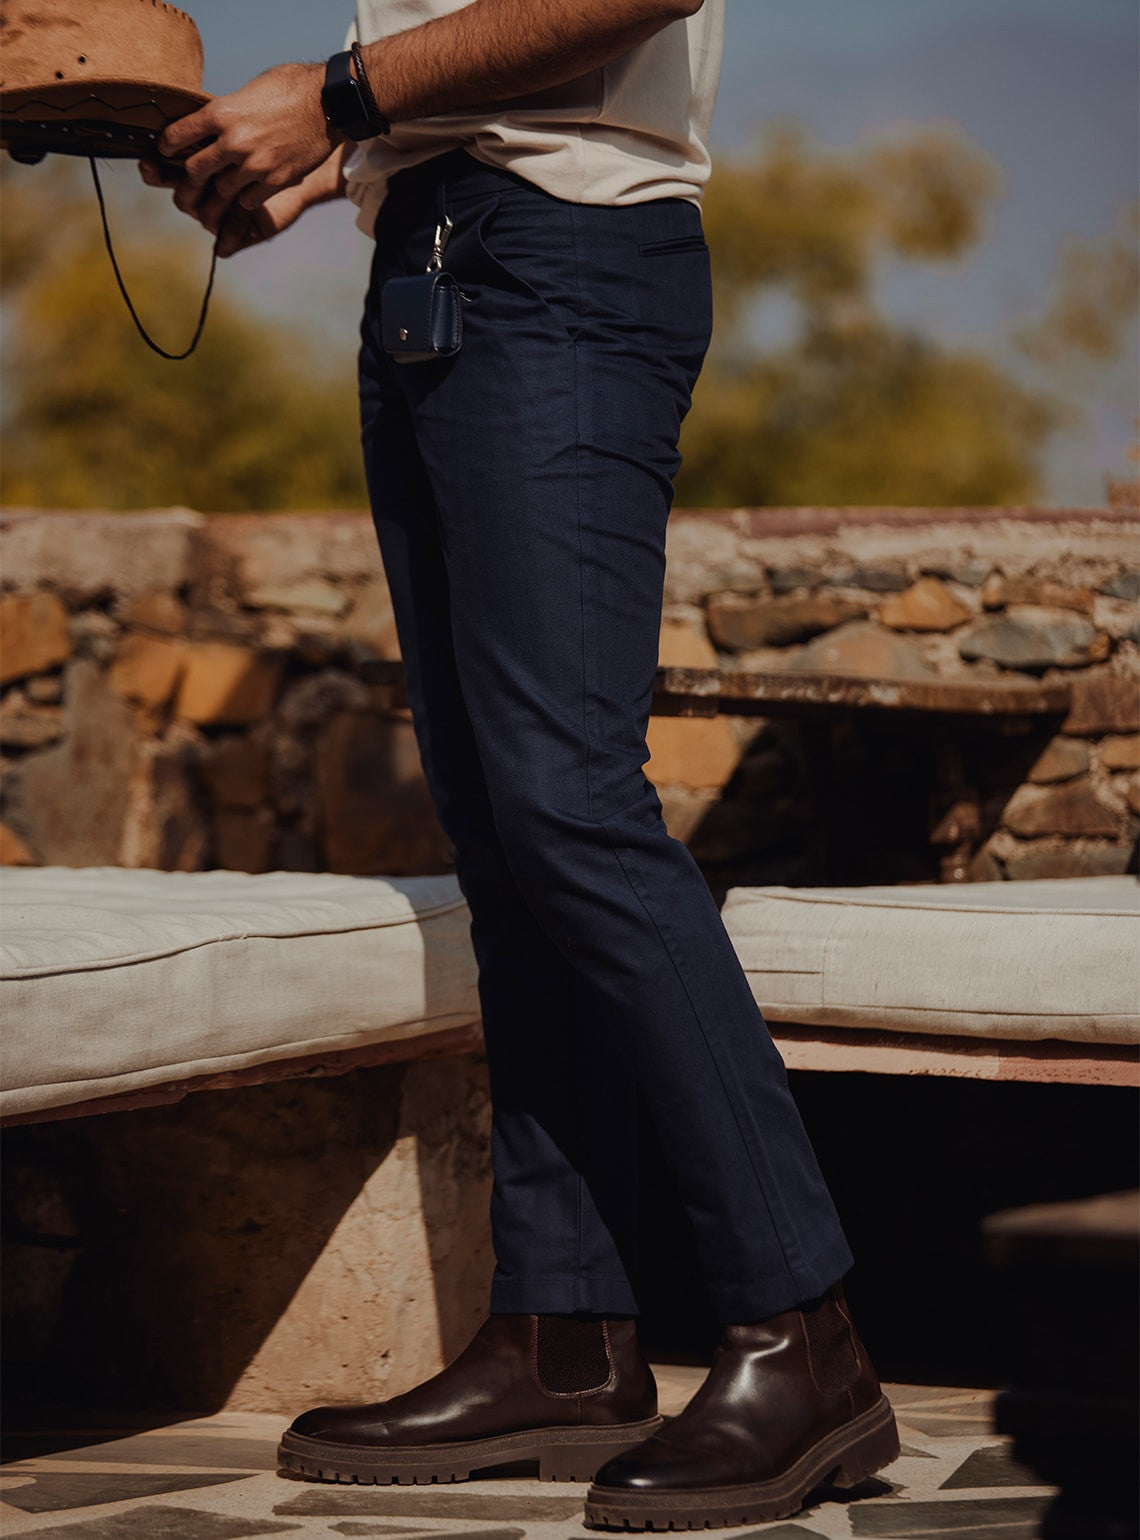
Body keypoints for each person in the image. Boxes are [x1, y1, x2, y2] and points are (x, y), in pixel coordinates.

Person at [152, 1, 899, 1526]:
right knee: (503, 833)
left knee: (570, 805)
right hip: (436, 256)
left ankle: (803, 1332)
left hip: (564, 258)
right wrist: (325, 157)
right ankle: (563, 1330)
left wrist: (334, 93)